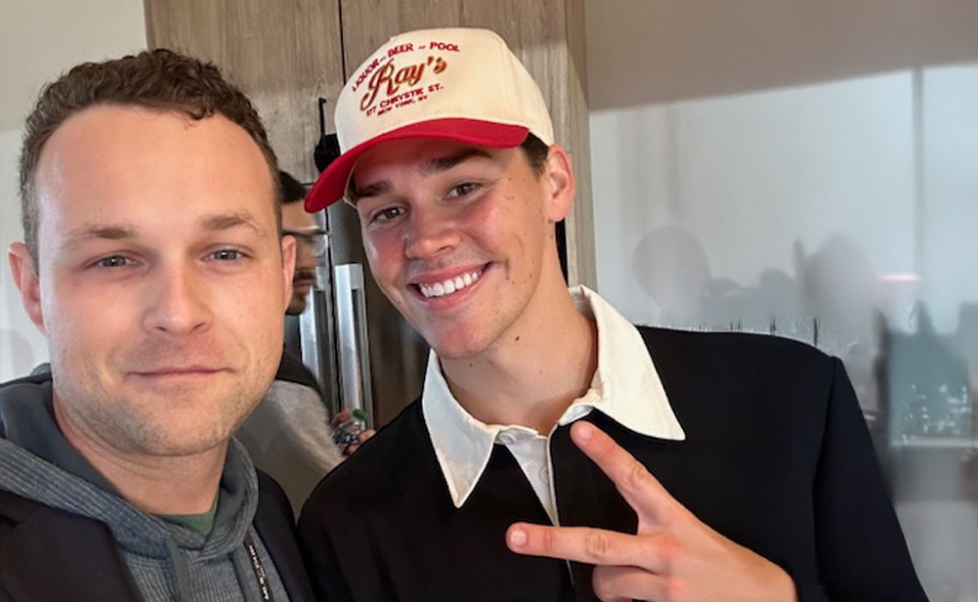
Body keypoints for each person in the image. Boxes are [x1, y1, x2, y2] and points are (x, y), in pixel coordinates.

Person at [296, 27, 925, 601]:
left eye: (463, 187)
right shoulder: (349, 521)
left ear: (556, 183)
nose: (425, 241)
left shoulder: (793, 403)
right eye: (386, 212)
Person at [0, 49, 314, 602]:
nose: (178, 313)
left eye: (224, 254)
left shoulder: (271, 510)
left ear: (283, 273)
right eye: (113, 260)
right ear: (33, 289)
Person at [236, 170, 371, 513]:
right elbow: (338, 512)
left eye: (313, 241)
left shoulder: (261, 364)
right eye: (291, 242)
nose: (310, 261)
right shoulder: (274, 384)